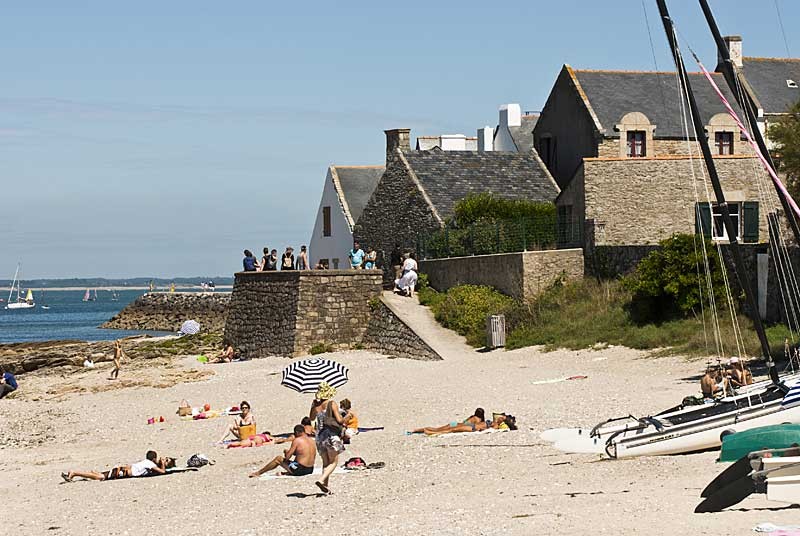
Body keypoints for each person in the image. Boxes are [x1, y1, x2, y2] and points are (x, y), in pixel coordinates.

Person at [310, 382, 345, 494]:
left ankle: (325, 486)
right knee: (334, 461)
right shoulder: (331, 403)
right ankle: (321, 480)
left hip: (319, 436)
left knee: (325, 462)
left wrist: (313, 405)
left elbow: (311, 418)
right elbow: (339, 420)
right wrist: (347, 417)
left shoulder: (316, 405)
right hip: (331, 435)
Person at [248, 424, 317, 477]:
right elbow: (303, 454)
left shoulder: (297, 440)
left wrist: (286, 452)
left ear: (297, 432)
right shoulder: (312, 440)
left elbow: (287, 458)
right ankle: (288, 472)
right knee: (296, 460)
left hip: (300, 470)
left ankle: (258, 473)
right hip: (310, 469)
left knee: (278, 459)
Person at [61, 451, 171, 482]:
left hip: (121, 470)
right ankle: (74, 473)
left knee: (101, 475)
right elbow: (162, 472)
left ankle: (81, 473)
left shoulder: (146, 462)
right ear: (153, 459)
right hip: (121, 472)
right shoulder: (150, 463)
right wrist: (162, 464)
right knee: (101, 477)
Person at [411, 408, 487, 436]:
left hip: (455, 423)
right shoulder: (478, 420)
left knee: (437, 428)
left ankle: (417, 430)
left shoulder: (472, 417)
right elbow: (476, 427)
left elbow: (464, 422)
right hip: (458, 426)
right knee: (442, 431)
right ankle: (426, 431)